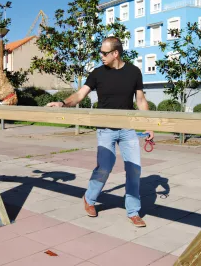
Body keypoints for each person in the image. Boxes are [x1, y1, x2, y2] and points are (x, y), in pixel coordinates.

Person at [46, 36, 154, 227]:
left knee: (134, 169)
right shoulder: (97, 73)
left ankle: (133, 211)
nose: (101, 56)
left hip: (127, 128)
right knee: (104, 167)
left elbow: (141, 100)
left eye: (104, 53)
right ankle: (89, 198)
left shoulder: (134, 72)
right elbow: (80, 95)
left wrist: (149, 125)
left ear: (115, 53)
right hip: (105, 129)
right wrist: (62, 103)